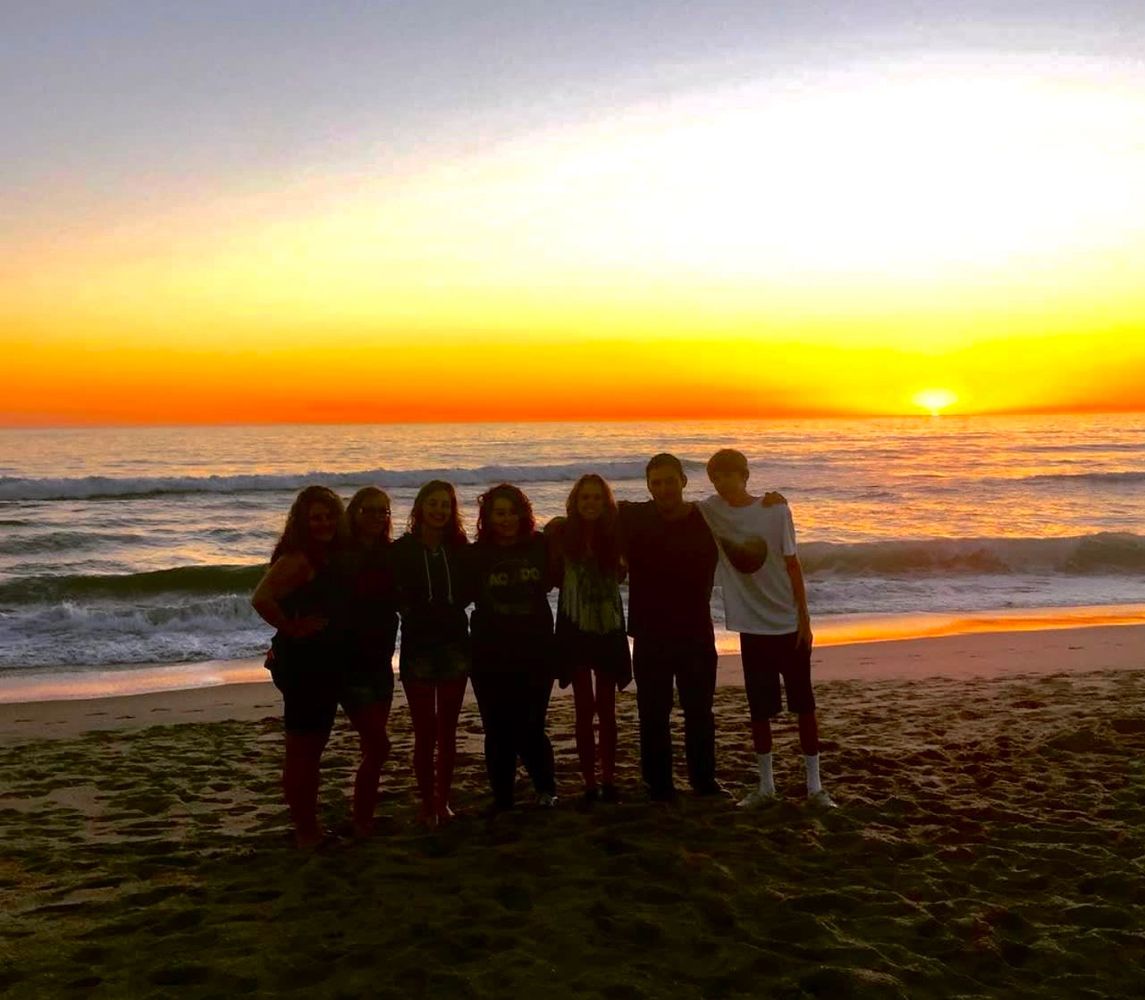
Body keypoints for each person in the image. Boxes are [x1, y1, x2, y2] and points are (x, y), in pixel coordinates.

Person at [701, 448, 835, 809]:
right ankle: (766, 786)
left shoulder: (776, 510)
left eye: (730, 475)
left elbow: (793, 565)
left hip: (787, 624)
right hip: (751, 627)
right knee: (759, 710)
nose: (724, 483)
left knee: (803, 705)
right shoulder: (711, 511)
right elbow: (669, 508)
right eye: (717, 477)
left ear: (745, 476)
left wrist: (805, 619)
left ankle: (815, 786)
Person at [252, 485, 353, 848]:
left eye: (329, 516)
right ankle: (306, 831)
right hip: (304, 665)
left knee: (311, 748)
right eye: (315, 518)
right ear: (302, 522)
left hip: (321, 663)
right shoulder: (299, 558)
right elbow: (261, 598)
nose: (324, 523)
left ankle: (306, 825)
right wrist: (291, 628)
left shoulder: (325, 554)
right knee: (303, 751)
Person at [618, 454, 723, 802]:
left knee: (699, 710)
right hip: (650, 631)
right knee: (652, 712)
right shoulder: (633, 516)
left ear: (683, 481)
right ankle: (659, 784)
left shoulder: (706, 518)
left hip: (695, 629)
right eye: (656, 482)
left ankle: (703, 780)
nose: (663, 488)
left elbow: (745, 515)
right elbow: (587, 511)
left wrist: (772, 501)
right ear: (648, 486)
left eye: (669, 480)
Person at [469, 483, 558, 812]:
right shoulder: (476, 554)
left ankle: (546, 788)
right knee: (496, 726)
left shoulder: (541, 545)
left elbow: (563, 573)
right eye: (499, 513)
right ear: (488, 518)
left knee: (532, 723)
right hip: (489, 650)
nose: (506, 519)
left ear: (523, 514)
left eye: (511, 512)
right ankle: (502, 796)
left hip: (536, 648)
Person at [389, 480, 471, 828]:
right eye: (433, 504)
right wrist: (411, 609)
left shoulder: (459, 547)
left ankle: (443, 801)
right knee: (425, 731)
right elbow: (388, 590)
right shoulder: (403, 549)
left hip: (454, 643)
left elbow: (470, 589)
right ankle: (426, 803)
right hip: (418, 647)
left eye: (445, 506)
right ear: (420, 508)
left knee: (449, 730)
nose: (439, 511)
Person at [546, 474, 632, 804]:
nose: (591, 503)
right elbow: (550, 572)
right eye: (585, 498)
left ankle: (608, 778)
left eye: (597, 498)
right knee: (584, 708)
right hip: (574, 626)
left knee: (607, 709)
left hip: (609, 626)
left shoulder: (618, 533)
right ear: (575, 503)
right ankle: (589, 781)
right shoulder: (561, 533)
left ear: (605, 502)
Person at [336, 486, 400, 836]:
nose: (377, 517)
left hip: (381, 660)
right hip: (349, 663)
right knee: (379, 744)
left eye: (384, 511)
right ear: (354, 512)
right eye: (370, 510)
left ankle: (365, 815)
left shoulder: (390, 553)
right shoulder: (339, 554)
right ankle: (361, 819)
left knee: (371, 746)